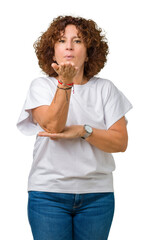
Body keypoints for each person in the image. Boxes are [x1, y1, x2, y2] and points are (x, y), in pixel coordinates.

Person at [16, 15, 133, 240]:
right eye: (61, 41)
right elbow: (53, 125)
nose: (69, 46)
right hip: (48, 195)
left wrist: (83, 131)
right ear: (52, 51)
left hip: (97, 197)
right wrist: (65, 83)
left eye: (78, 41)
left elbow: (120, 142)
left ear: (89, 52)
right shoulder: (40, 86)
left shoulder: (106, 89)